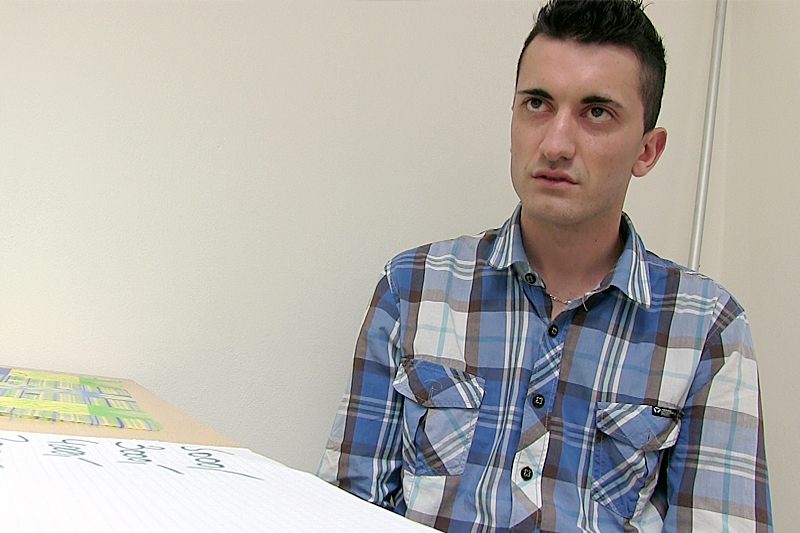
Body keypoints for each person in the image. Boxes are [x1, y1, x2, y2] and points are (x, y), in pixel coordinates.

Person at [317, 0, 773, 531]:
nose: (555, 144)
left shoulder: (708, 330)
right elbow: (340, 513)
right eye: (537, 103)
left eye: (596, 112)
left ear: (647, 151)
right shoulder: (413, 289)